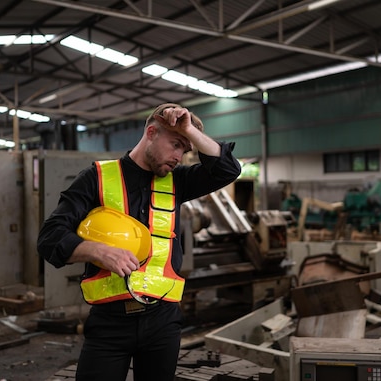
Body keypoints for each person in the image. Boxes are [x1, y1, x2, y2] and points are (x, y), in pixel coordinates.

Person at [37, 103, 241, 381]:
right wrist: (97, 251)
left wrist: (188, 129)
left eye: (185, 148)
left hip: (163, 321)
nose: (179, 156)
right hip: (109, 324)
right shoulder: (95, 178)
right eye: (175, 144)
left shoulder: (177, 181)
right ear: (151, 132)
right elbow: (50, 238)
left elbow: (228, 169)